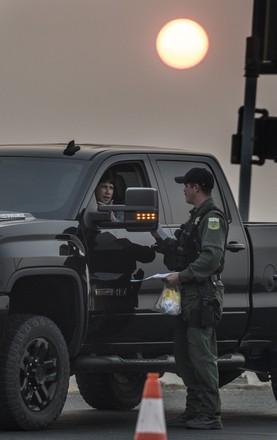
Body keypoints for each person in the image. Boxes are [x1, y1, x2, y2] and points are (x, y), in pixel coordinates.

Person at [152, 167, 228, 430]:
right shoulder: (195, 218)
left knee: (201, 355)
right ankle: (194, 409)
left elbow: (211, 257)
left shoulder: (212, 218)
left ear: (196, 187)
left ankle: (209, 413)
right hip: (188, 293)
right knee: (185, 355)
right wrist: (155, 233)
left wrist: (182, 277)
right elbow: (181, 251)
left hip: (202, 293)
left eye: (187, 185)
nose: (184, 189)